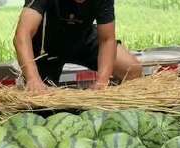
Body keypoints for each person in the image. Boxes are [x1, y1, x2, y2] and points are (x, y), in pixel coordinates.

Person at [14, 0, 142, 92]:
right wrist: (33, 79)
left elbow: (107, 39)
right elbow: (22, 35)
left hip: (83, 39)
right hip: (48, 47)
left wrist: (102, 81)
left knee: (132, 69)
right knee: (40, 100)